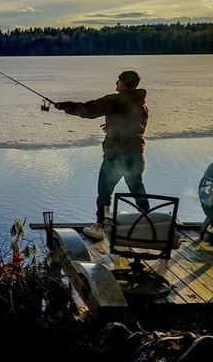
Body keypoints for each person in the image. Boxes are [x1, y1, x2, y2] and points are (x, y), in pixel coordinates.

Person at [54, 70, 150, 240]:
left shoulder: (115, 101)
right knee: (137, 189)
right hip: (135, 154)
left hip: (116, 156)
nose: (116, 83)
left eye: (119, 81)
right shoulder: (141, 103)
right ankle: (148, 223)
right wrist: (113, 126)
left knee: (105, 192)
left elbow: (88, 110)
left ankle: (101, 226)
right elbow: (134, 124)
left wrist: (63, 106)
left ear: (125, 84)